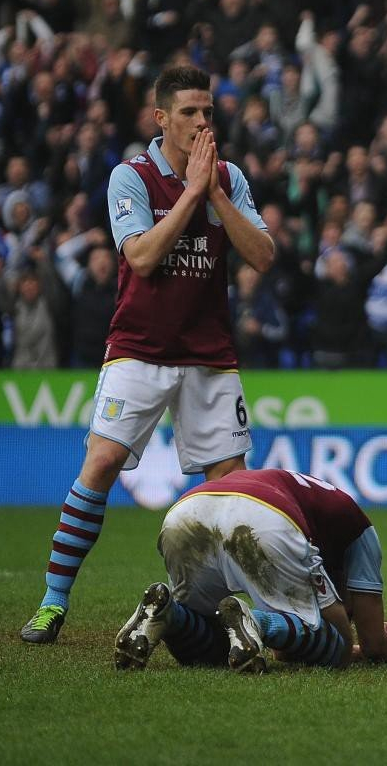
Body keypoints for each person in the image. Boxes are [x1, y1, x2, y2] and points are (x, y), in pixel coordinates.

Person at [20, 65, 276, 644]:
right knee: (102, 463)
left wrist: (214, 193)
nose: (202, 122)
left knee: (232, 485)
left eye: (208, 112)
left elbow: (263, 256)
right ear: (161, 118)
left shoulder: (229, 178)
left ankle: (236, 613)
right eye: (189, 112)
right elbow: (140, 258)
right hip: (138, 348)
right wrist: (191, 193)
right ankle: (53, 603)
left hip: (209, 355)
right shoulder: (129, 177)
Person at [114, 467, 387, 671]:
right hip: (264, 516)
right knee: (339, 647)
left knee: (211, 645)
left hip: (186, 511)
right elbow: (371, 646)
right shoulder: (361, 533)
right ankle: (254, 620)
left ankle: (168, 615)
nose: (350, 611)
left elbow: (284, 651)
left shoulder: (318, 504)